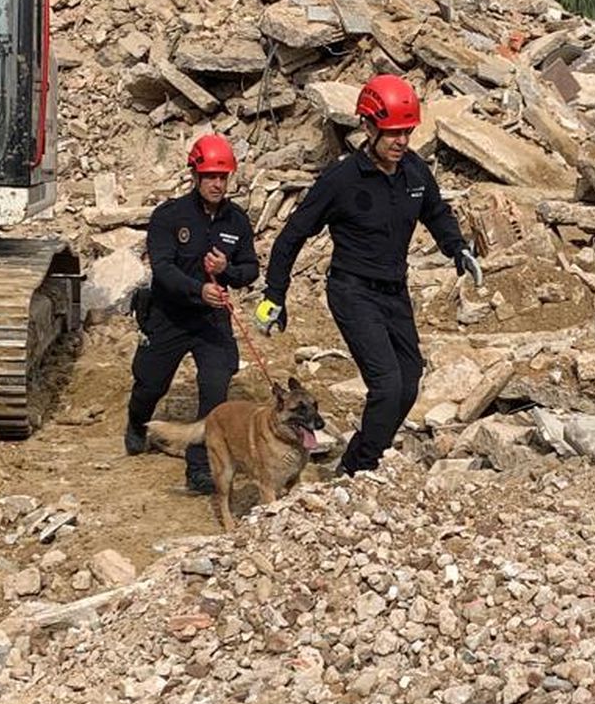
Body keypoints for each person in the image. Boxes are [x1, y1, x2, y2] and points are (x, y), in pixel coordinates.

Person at [255, 73, 482, 476]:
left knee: (409, 381)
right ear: (367, 126)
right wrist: (275, 293)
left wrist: (458, 248)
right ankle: (361, 469)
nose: (400, 142)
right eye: (392, 133)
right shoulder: (341, 180)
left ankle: (362, 455)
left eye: (406, 133)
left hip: (394, 290)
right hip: (352, 291)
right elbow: (293, 234)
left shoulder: (414, 171)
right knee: (386, 385)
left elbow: (436, 213)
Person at [126, 133, 259, 494]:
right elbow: (164, 269)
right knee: (150, 383)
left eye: (223, 177)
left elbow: (251, 270)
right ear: (195, 176)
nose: (217, 184)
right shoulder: (170, 216)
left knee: (215, 386)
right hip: (169, 315)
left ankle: (198, 467)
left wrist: (228, 270)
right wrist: (197, 288)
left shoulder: (236, 221)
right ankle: (138, 423)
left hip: (211, 320)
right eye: (210, 177)